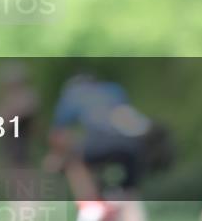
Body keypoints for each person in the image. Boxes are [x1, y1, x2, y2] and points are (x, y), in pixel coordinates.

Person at [43, 73, 150, 221]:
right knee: (129, 191)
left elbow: (58, 134)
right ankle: (129, 212)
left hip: (98, 144)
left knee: (71, 160)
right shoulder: (114, 89)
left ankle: (91, 206)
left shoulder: (73, 94)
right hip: (132, 145)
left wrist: (55, 156)